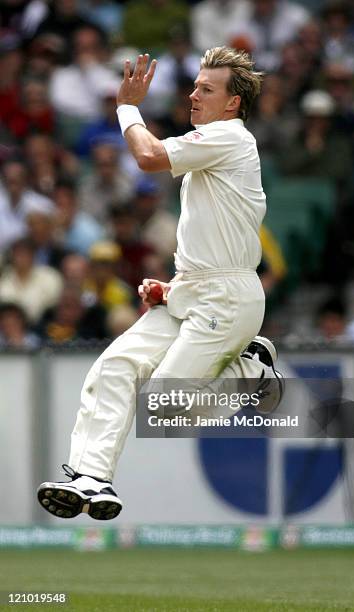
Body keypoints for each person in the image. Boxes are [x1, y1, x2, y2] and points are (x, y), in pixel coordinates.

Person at [37, 48, 283, 521]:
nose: (193, 94)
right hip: (195, 291)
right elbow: (214, 240)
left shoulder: (232, 138)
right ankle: (92, 476)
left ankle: (252, 372)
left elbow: (148, 157)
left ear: (232, 103)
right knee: (114, 368)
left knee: (166, 410)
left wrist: (126, 106)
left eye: (207, 90)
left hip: (228, 299)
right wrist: (172, 288)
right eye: (194, 85)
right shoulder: (212, 141)